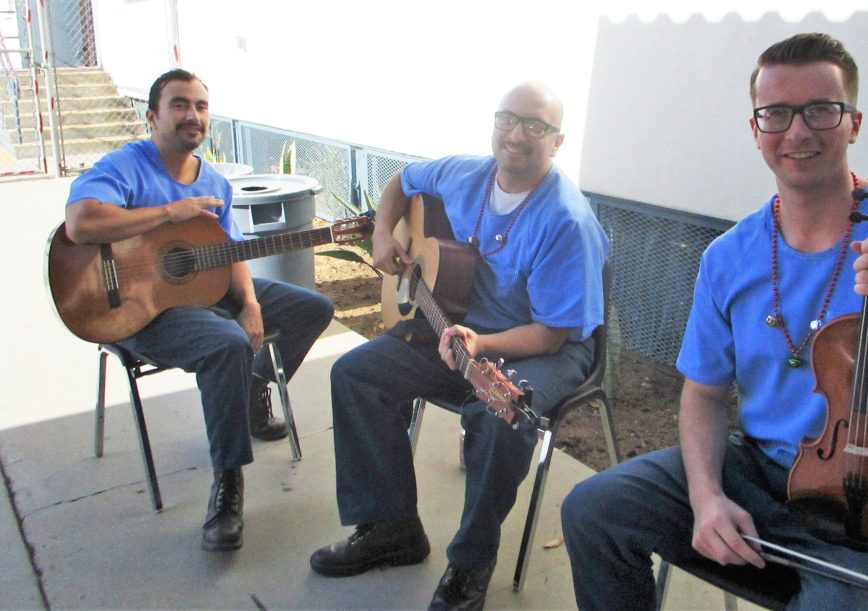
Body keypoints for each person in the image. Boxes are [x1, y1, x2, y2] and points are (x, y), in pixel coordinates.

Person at [561, 32, 868, 610]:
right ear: (756, 130)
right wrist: (706, 498)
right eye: (776, 113)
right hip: (758, 470)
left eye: (821, 110)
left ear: (853, 122)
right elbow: (704, 395)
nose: (798, 132)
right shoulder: (728, 256)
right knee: (593, 511)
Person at [309, 81, 608, 610]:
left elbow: (554, 332)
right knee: (356, 374)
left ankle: (470, 565)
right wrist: (383, 235)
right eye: (507, 119)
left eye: (536, 126)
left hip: (543, 346)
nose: (517, 134)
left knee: (500, 418)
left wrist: (482, 342)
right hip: (457, 321)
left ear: (557, 142)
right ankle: (391, 528)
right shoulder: (466, 173)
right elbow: (402, 180)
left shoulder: (566, 220)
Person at [64, 69, 334, 552]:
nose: (193, 115)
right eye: (180, 104)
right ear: (152, 116)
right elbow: (81, 224)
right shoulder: (125, 166)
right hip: (134, 308)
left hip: (204, 293)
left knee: (312, 307)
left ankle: (250, 393)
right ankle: (228, 486)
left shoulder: (212, 181)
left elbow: (226, 250)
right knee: (225, 343)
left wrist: (250, 304)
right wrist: (171, 213)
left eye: (202, 106)